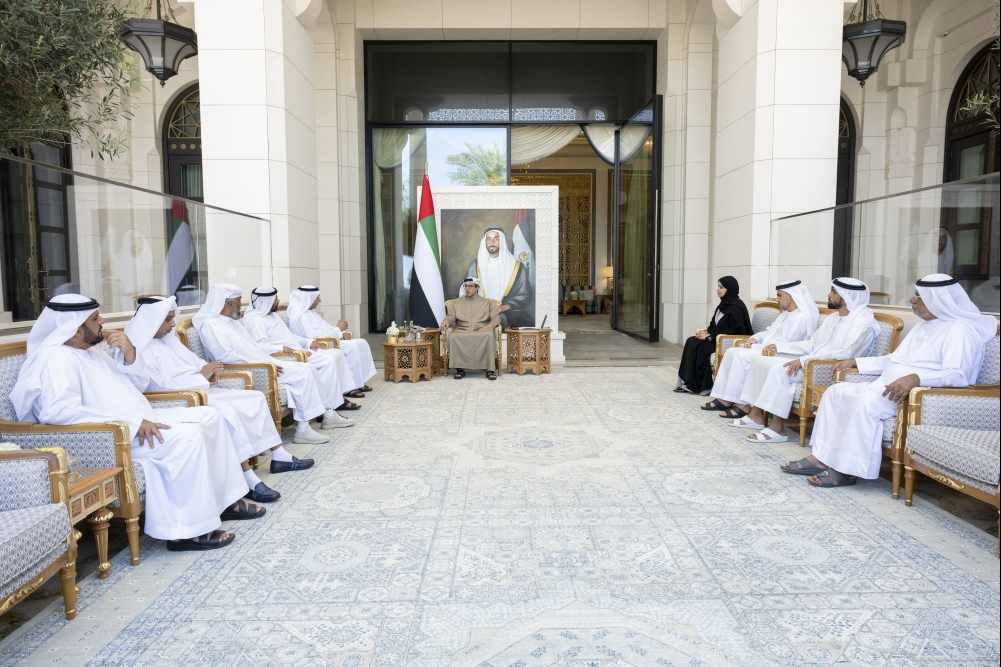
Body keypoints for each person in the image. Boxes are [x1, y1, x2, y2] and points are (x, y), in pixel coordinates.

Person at [10, 294, 262, 552]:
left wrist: (129, 352)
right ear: (74, 329)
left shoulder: (91, 351)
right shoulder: (56, 359)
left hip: (142, 421)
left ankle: (226, 501)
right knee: (189, 438)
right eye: (95, 319)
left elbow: (139, 384)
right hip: (114, 438)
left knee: (211, 417)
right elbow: (59, 413)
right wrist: (130, 424)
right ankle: (187, 532)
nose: (102, 324)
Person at [781, 274, 996, 487]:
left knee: (863, 404)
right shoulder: (924, 326)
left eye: (919, 296)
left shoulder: (960, 330)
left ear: (938, 300)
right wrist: (856, 362)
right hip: (885, 386)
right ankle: (820, 458)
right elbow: (894, 359)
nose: (912, 300)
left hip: (915, 395)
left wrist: (916, 378)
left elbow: (958, 375)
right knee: (834, 393)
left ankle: (847, 471)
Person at [128, 295, 313, 485]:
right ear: (152, 320)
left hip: (202, 388)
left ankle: (279, 455)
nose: (172, 324)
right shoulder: (140, 348)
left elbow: (195, 362)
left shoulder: (168, 340)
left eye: (172, 318)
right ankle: (248, 479)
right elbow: (160, 386)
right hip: (184, 398)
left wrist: (208, 371)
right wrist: (201, 376)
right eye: (167, 319)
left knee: (255, 398)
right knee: (228, 412)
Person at [734, 278, 880, 443]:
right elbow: (812, 343)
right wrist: (780, 348)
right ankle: (755, 415)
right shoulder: (834, 318)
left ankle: (777, 428)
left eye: (833, 292)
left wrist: (804, 361)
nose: (828, 295)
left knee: (781, 370)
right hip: (813, 362)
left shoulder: (864, 323)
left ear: (846, 296)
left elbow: (846, 354)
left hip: (832, 369)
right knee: (768, 363)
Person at [193, 284, 334, 445]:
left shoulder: (233, 322)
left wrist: (272, 356)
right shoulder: (212, 325)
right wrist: (262, 365)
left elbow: (254, 345)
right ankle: (303, 429)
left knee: (306, 369)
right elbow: (225, 356)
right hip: (251, 369)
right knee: (304, 372)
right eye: (239, 301)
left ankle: (310, 422)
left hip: (264, 362)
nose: (241, 305)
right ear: (228, 303)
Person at [703, 280, 819, 419]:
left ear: (791, 296)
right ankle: (726, 398)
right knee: (732, 351)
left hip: (784, 354)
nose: (777, 299)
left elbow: (802, 344)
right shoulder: (786, 314)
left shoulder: (803, 317)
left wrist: (776, 347)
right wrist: (755, 339)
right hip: (769, 349)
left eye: (779, 295)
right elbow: (770, 332)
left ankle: (742, 405)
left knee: (742, 356)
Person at [242, 286, 361, 415]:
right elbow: (259, 346)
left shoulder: (272, 316)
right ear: (266, 302)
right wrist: (282, 349)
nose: (278, 301)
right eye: (275, 299)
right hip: (284, 356)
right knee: (327, 361)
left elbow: (289, 336)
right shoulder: (255, 320)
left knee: (332, 356)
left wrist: (308, 342)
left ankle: (334, 402)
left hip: (297, 351)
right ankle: (330, 406)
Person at [286, 285, 376, 391]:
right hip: (320, 346)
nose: (319, 300)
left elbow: (325, 329)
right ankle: (351, 387)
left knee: (361, 343)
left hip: (331, 341)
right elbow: (315, 337)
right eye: (317, 298)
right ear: (309, 299)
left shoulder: (311, 313)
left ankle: (359, 382)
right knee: (352, 347)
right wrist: (339, 330)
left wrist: (341, 332)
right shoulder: (300, 316)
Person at [675, 276, 752, 395]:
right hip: (715, 338)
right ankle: (687, 382)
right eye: (718, 287)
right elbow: (713, 326)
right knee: (691, 341)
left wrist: (709, 337)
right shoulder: (722, 305)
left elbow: (733, 332)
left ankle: (704, 387)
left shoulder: (737, 308)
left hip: (728, 342)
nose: (718, 290)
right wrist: (704, 332)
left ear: (730, 289)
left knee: (702, 348)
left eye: (721, 287)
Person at [464, 228, 532, 328]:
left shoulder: (516, 267)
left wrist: (504, 307)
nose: (492, 242)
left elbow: (524, 295)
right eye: (489, 239)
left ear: (502, 242)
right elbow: (467, 291)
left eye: (496, 238)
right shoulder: (475, 266)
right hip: (479, 312)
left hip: (509, 314)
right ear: (485, 242)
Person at [442, 277, 501, 380]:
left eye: (470, 286)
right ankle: (460, 369)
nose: (467, 288)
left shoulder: (488, 302)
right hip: (462, 329)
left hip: (482, 329)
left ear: (477, 287)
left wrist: (488, 327)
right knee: (454, 336)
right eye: (465, 286)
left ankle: (490, 369)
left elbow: (496, 318)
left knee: (489, 335)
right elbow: (451, 317)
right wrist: (447, 321)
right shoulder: (456, 303)